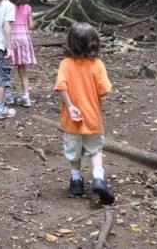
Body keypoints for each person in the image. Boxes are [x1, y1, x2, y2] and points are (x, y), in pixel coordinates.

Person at [53, 22, 115, 204]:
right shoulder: (98, 65)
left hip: (71, 120)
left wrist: (71, 105)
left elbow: (61, 86)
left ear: (70, 43)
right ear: (94, 43)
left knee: (74, 152)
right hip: (93, 119)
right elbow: (105, 90)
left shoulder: (65, 64)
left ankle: (76, 181)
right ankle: (98, 178)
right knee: (95, 150)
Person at [6, 0, 37, 108]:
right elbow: (31, 26)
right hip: (23, 40)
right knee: (22, 70)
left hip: (10, 40)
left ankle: (7, 96)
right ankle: (26, 96)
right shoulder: (27, 7)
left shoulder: (6, 7)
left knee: (6, 69)